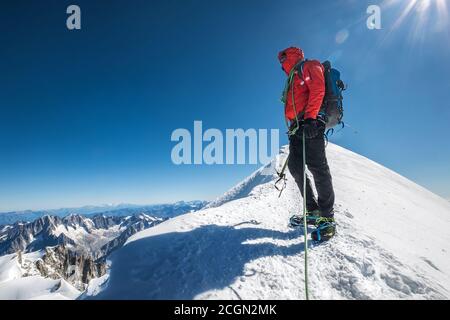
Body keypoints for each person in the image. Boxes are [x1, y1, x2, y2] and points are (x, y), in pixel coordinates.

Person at [278, 46, 336, 241]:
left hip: (311, 124)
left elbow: (318, 89)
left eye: (283, 59)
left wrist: (311, 119)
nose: (281, 64)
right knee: (295, 167)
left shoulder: (308, 66)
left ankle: (327, 218)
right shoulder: (292, 77)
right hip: (297, 128)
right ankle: (313, 210)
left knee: (318, 167)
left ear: (290, 56)